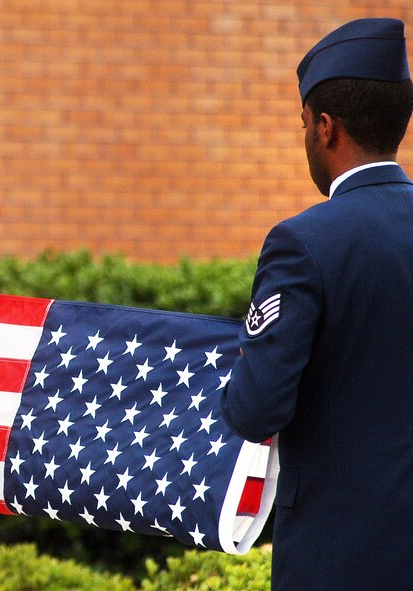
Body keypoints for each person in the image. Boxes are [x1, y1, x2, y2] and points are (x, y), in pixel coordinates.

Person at [220, 18, 413, 591]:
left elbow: (256, 409)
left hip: (342, 554)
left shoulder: (302, 243)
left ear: (326, 128)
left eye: (303, 123)